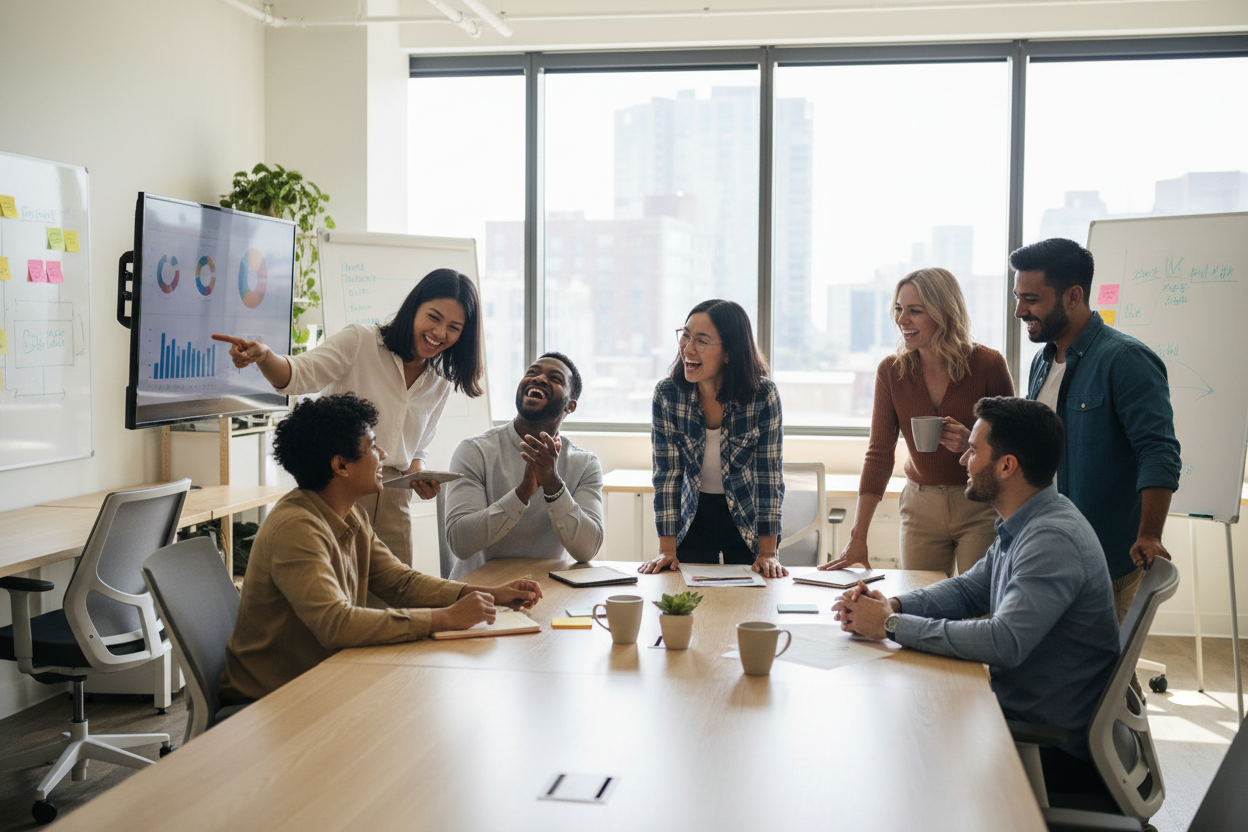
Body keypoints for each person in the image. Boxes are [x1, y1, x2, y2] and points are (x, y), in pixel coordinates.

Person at [834, 396, 1118, 781]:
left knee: (892, 755)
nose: (963, 461)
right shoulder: (1026, 520)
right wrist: (892, 605)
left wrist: (890, 626)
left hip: (1048, 747)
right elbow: (970, 590)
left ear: (1006, 466)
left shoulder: (1051, 539)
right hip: (1014, 715)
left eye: (972, 451)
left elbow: (1003, 642)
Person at [219, 393, 541, 703]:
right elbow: (337, 624)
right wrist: (444, 618)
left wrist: (485, 592)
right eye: (373, 445)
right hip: (273, 698)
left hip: (325, 677)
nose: (384, 454)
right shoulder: (297, 529)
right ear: (341, 466)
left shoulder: (349, 509)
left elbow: (400, 582)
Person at [213, 268, 484, 568]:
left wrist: (418, 476)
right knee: (335, 596)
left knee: (394, 601)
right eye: (434, 317)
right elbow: (300, 373)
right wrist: (265, 358)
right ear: (414, 307)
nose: (440, 333)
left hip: (394, 498)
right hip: (339, 488)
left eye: (454, 327)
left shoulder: (440, 380)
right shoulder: (361, 340)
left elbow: (417, 448)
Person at [1011, 238, 1181, 625]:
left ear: (1073, 295)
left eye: (1032, 299)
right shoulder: (1042, 360)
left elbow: (1158, 451)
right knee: (1072, 671)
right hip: (1048, 547)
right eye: (1018, 297)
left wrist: (1150, 534)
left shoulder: (1126, 360)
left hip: (1106, 556)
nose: (1020, 310)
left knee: (1106, 676)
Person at [824, 267, 1014, 576]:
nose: (901, 319)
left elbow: (1011, 446)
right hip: (920, 507)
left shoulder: (989, 365)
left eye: (915, 311)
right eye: (899, 309)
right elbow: (879, 454)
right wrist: (858, 537)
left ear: (944, 312)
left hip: (979, 504)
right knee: (920, 607)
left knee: (979, 611)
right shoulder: (891, 372)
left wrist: (971, 442)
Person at [640, 299, 787, 578]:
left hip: (745, 515)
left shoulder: (762, 396)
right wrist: (667, 550)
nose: (688, 348)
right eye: (686, 336)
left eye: (702, 341)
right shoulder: (668, 394)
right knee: (686, 599)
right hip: (692, 514)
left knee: (751, 599)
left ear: (729, 353)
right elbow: (668, 474)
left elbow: (769, 476)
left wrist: (768, 553)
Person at [445, 352, 604, 580]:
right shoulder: (475, 450)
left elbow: (587, 550)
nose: (538, 379)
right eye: (532, 372)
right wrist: (521, 494)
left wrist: (553, 485)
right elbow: (460, 543)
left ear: (571, 406)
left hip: (547, 592)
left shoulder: (584, 464)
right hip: (478, 594)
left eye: (555, 378)